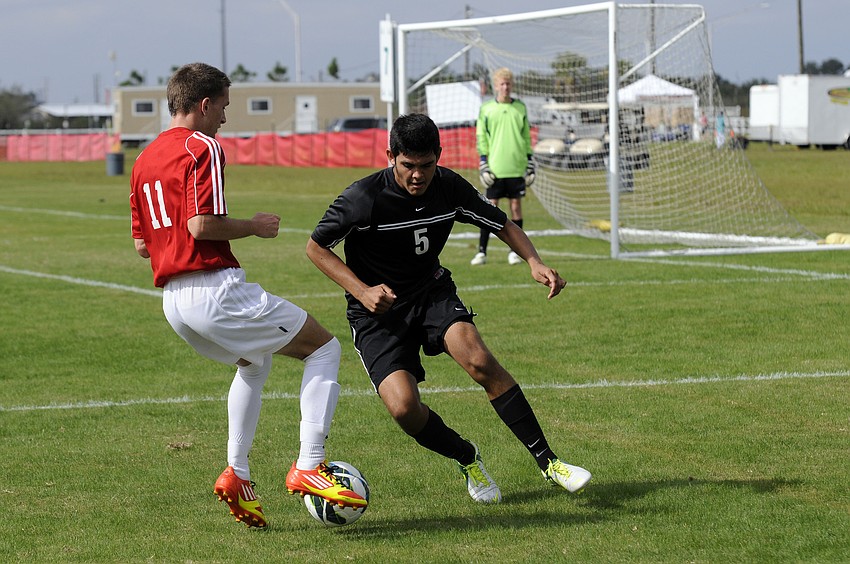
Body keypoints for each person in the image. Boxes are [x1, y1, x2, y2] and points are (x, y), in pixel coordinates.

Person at [306, 113, 591, 504]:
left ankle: (549, 462)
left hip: (430, 292)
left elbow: (502, 223)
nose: (418, 175)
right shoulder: (363, 198)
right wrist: (362, 290)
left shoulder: (449, 187)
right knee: (405, 408)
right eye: (408, 166)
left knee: (479, 361)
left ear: (438, 157)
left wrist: (534, 261)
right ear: (390, 156)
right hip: (378, 313)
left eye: (426, 165)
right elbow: (316, 247)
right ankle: (467, 456)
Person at [129, 62, 366, 529]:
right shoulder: (203, 146)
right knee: (324, 347)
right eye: (222, 107)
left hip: (174, 304)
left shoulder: (143, 158)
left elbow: (142, 245)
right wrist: (254, 227)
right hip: (212, 287)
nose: (224, 118)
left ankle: (236, 473)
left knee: (255, 364)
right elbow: (201, 224)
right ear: (203, 104)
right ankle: (310, 465)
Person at [472, 67, 536, 266]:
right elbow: (481, 136)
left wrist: (530, 160)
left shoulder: (520, 108)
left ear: (512, 85)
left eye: (508, 83)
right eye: (502, 83)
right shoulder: (487, 109)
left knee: (516, 208)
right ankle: (482, 251)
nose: (505, 87)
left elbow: (526, 136)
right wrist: (483, 161)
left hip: (516, 166)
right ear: (496, 86)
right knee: (490, 208)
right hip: (495, 167)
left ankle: (514, 252)